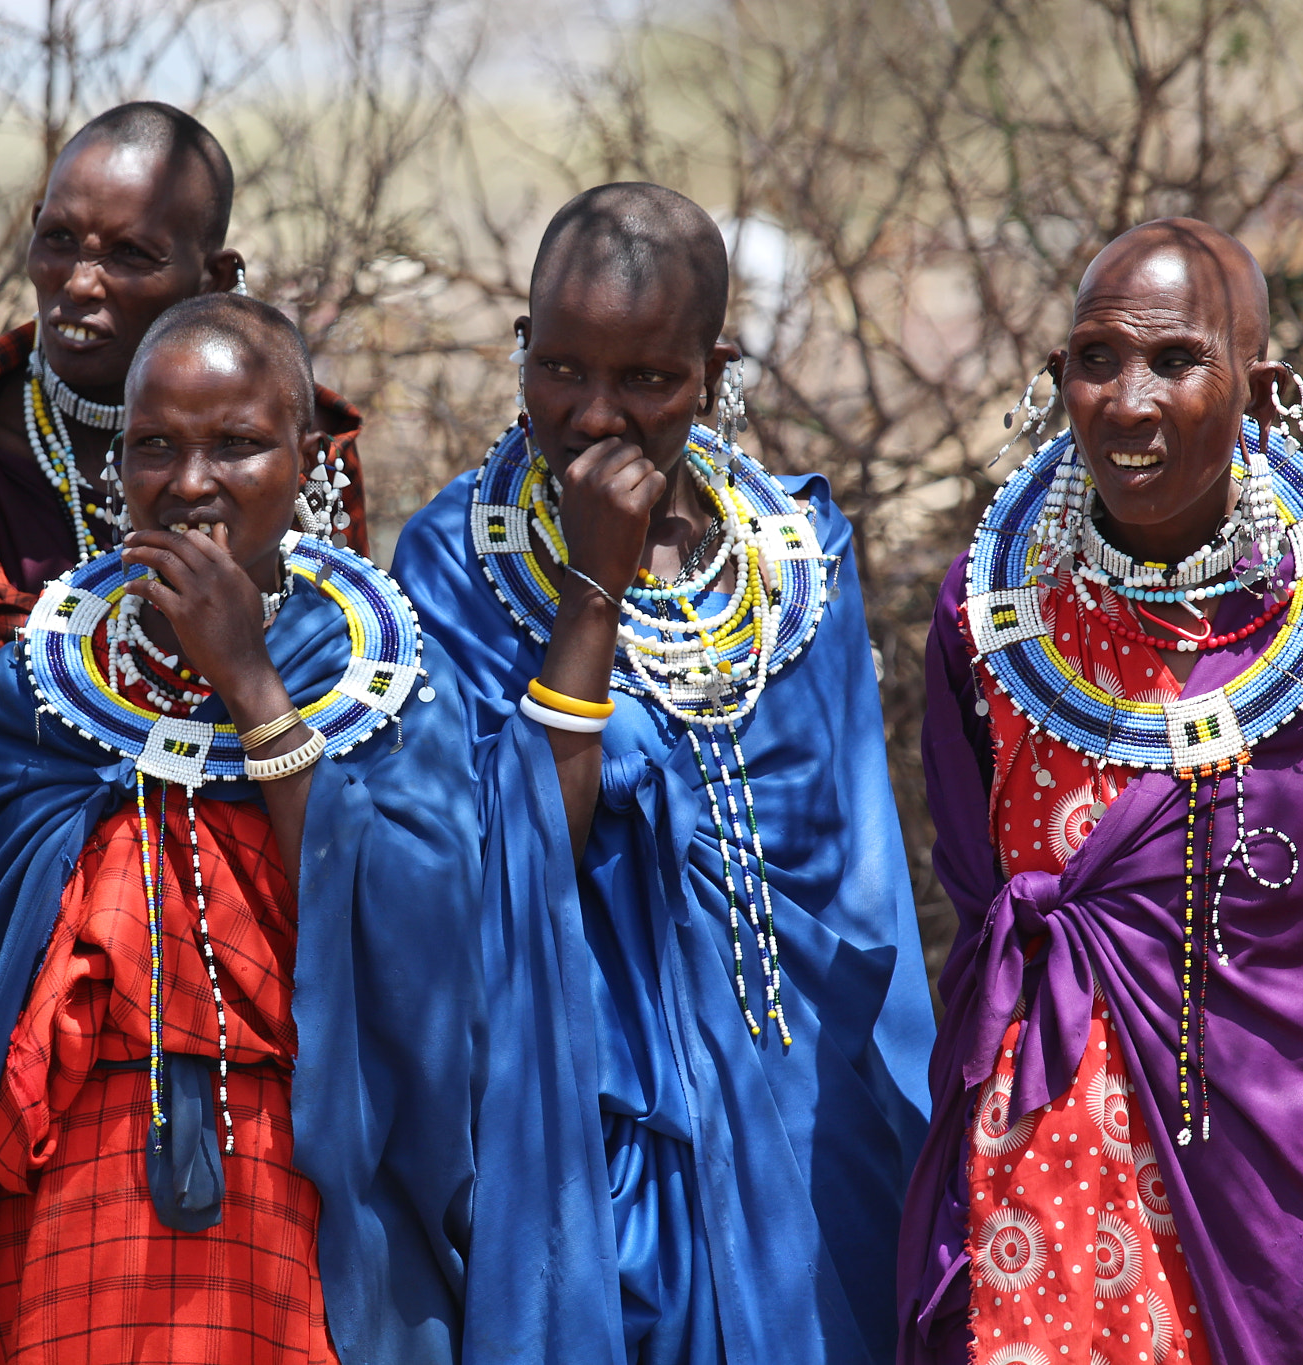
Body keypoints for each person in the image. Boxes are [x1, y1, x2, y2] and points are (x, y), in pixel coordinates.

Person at [390, 183, 935, 1365]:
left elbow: (855, 868)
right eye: (560, 369)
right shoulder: (450, 560)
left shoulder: (799, 556)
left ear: (713, 369)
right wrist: (594, 584)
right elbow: (508, 854)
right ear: (521, 348)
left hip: (804, 1098)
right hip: (589, 1105)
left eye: (645, 381)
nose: (593, 416)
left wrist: (874, 1090)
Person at [0, 294, 477, 1365]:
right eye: (154, 445)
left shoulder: (390, 682)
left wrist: (249, 683)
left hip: (301, 1178)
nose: (191, 480)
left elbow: (414, 958)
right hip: (76, 1186)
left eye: (237, 445)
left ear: (308, 459)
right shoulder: (40, 686)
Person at [901, 217, 1303, 1364]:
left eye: (1175, 361)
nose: (1127, 402)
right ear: (1054, 380)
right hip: (1050, 1175)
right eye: (1093, 358)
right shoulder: (985, 621)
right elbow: (979, 900)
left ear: (1260, 393)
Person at [0, 102, 370, 1038]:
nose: (79, 283)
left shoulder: (289, 451)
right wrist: (109, 657)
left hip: (248, 960)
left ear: (217, 275)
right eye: (58, 240)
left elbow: (339, 708)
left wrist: (230, 665)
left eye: (129, 256)